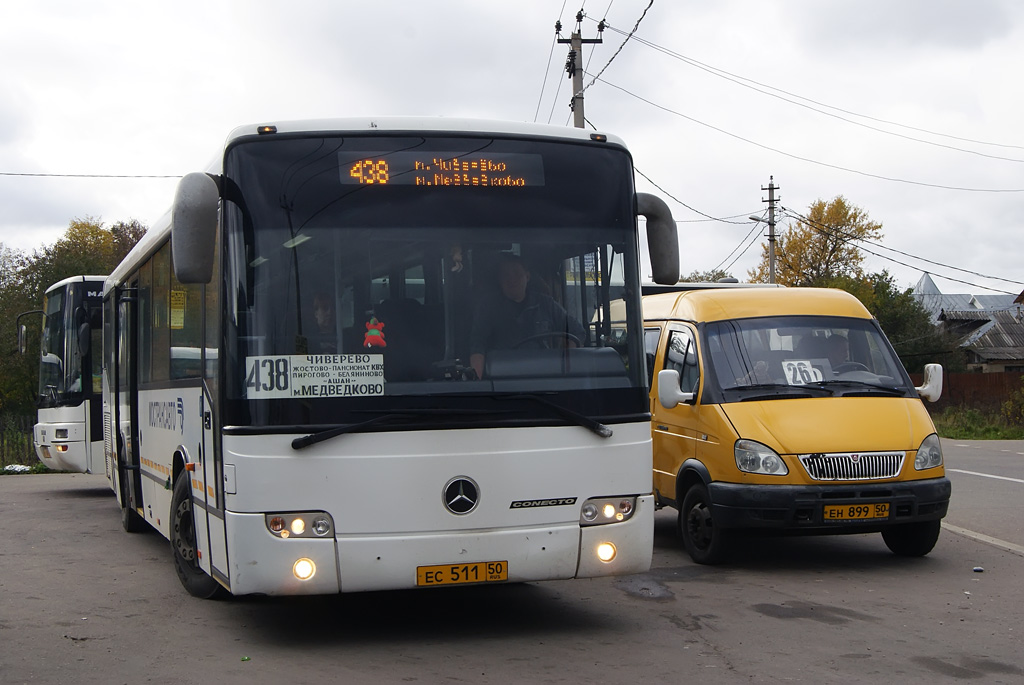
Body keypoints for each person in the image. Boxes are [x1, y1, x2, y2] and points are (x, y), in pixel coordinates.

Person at [469, 254, 585, 378]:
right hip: (501, 382)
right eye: (505, 275)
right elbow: (477, 346)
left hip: (544, 378)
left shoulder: (546, 304)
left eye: (516, 273)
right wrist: (478, 381)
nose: (511, 279)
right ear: (499, 280)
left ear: (527, 276)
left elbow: (576, 332)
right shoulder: (488, 308)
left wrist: (565, 367)